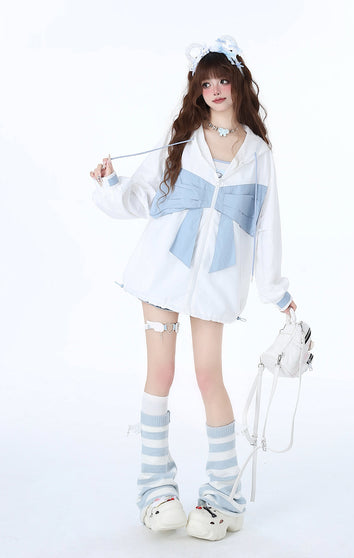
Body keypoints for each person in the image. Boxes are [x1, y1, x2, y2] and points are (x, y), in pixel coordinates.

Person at [89, 35, 297, 541]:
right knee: (160, 373)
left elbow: (267, 226)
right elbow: (145, 194)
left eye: (223, 80)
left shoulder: (258, 154)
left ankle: (223, 497)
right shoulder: (183, 136)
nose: (215, 90)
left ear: (239, 84)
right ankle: (156, 491)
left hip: (216, 283)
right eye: (206, 83)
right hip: (163, 271)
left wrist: (277, 291)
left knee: (208, 376)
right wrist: (110, 184)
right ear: (198, 90)